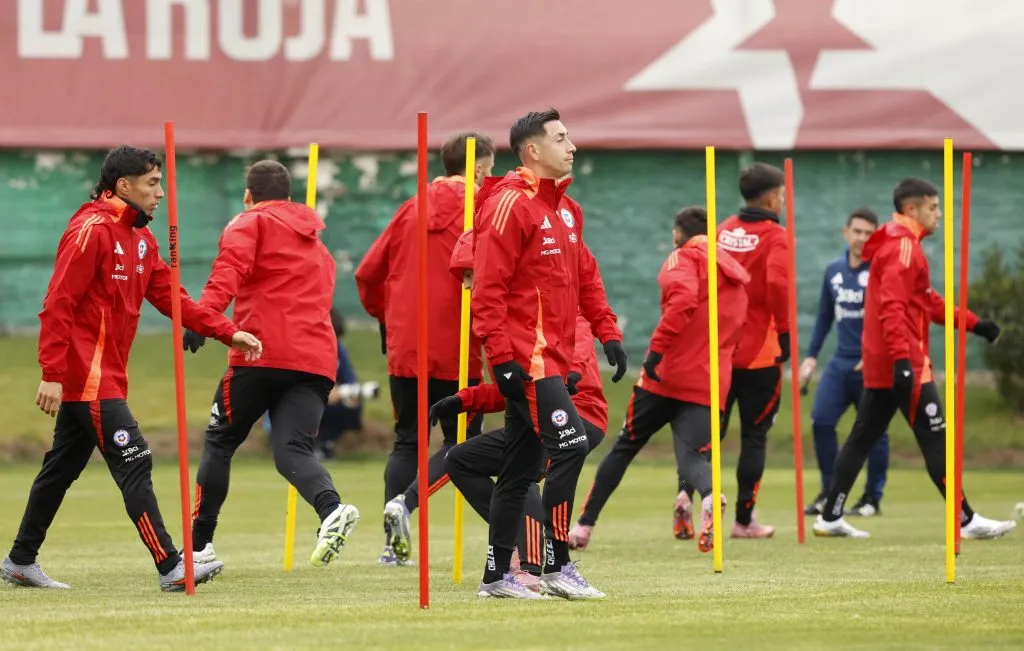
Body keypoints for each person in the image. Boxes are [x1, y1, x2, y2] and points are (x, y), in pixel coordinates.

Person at [0, 145, 262, 592]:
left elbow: (173, 299)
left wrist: (226, 331)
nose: (160, 193)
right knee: (135, 460)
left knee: (60, 470)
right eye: (152, 183)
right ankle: (171, 566)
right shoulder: (90, 230)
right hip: (88, 376)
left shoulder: (143, 239)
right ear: (124, 185)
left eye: (160, 182)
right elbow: (58, 303)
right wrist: (52, 373)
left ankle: (20, 561)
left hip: (110, 376)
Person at [398, 232, 608, 593]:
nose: (466, 286)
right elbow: (521, 386)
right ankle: (506, 563)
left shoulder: (543, 309)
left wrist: (574, 369)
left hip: (579, 414)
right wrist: (465, 400)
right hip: (533, 411)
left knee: (521, 471)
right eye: (461, 277)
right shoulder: (503, 319)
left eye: (469, 274)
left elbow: (561, 371)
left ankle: (533, 566)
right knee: (461, 459)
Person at [472, 109, 626, 600]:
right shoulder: (509, 205)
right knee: (571, 446)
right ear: (532, 150)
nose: (573, 145)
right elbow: (488, 292)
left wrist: (607, 332)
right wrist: (502, 359)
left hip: (556, 358)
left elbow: (586, 278)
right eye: (561, 138)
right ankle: (557, 566)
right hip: (527, 359)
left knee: (518, 470)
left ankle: (497, 577)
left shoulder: (567, 210)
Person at [814, 178, 1016, 539]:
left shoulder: (899, 243)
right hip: (902, 362)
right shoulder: (904, 247)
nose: (939, 215)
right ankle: (967, 520)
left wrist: (974, 324)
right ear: (913, 209)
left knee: (861, 438)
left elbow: (926, 301)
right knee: (936, 439)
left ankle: (829, 516)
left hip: (886, 363)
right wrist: (902, 361)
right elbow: (891, 309)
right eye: (934, 207)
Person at [185, 160, 360, 568]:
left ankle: (198, 548)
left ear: (249, 195)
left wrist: (203, 318)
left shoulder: (249, 223)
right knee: (292, 451)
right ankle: (331, 509)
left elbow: (229, 270)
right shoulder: (318, 245)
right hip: (316, 361)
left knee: (220, 441)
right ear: (290, 197)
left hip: (259, 353)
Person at [568, 207, 750, 554]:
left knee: (624, 447)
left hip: (664, 376)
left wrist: (654, 354)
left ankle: (584, 526)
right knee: (695, 456)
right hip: (709, 380)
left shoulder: (681, 259)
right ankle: (704, 496)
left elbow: (680, 302)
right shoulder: (734, 274)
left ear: (679, 233)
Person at [355, 132, 495, 565]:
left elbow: (367, 273)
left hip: (409, 346)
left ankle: (390, 542)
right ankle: (510, 540)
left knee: (406, 443)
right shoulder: (485, 209)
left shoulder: (411, 207)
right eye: (488, 169)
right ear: (476, 167)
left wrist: (388, 318)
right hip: (462, 347)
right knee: (464, 449)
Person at [799, 208, 890, 517]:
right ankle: (829, 491)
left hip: (872, 364)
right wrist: (811, 356)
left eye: (868, 233)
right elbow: (825, 315)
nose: (862, 238)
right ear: (846, 232)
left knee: (873, 431)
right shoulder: (834, 271)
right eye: (857, 231)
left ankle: (871, 498)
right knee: (821, 421)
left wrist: (877, 353)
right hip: (841, 364)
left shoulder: (881, 269)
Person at [715, 162, 790, 538]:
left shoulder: (723, 230)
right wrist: (788, 332)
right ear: (773, 196)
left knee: (707, 431)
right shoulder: (776, 235)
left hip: (720, 350)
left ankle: (691, 499)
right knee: (754, 437)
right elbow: (779, 283)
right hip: (761, 353)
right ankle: (744, 521)